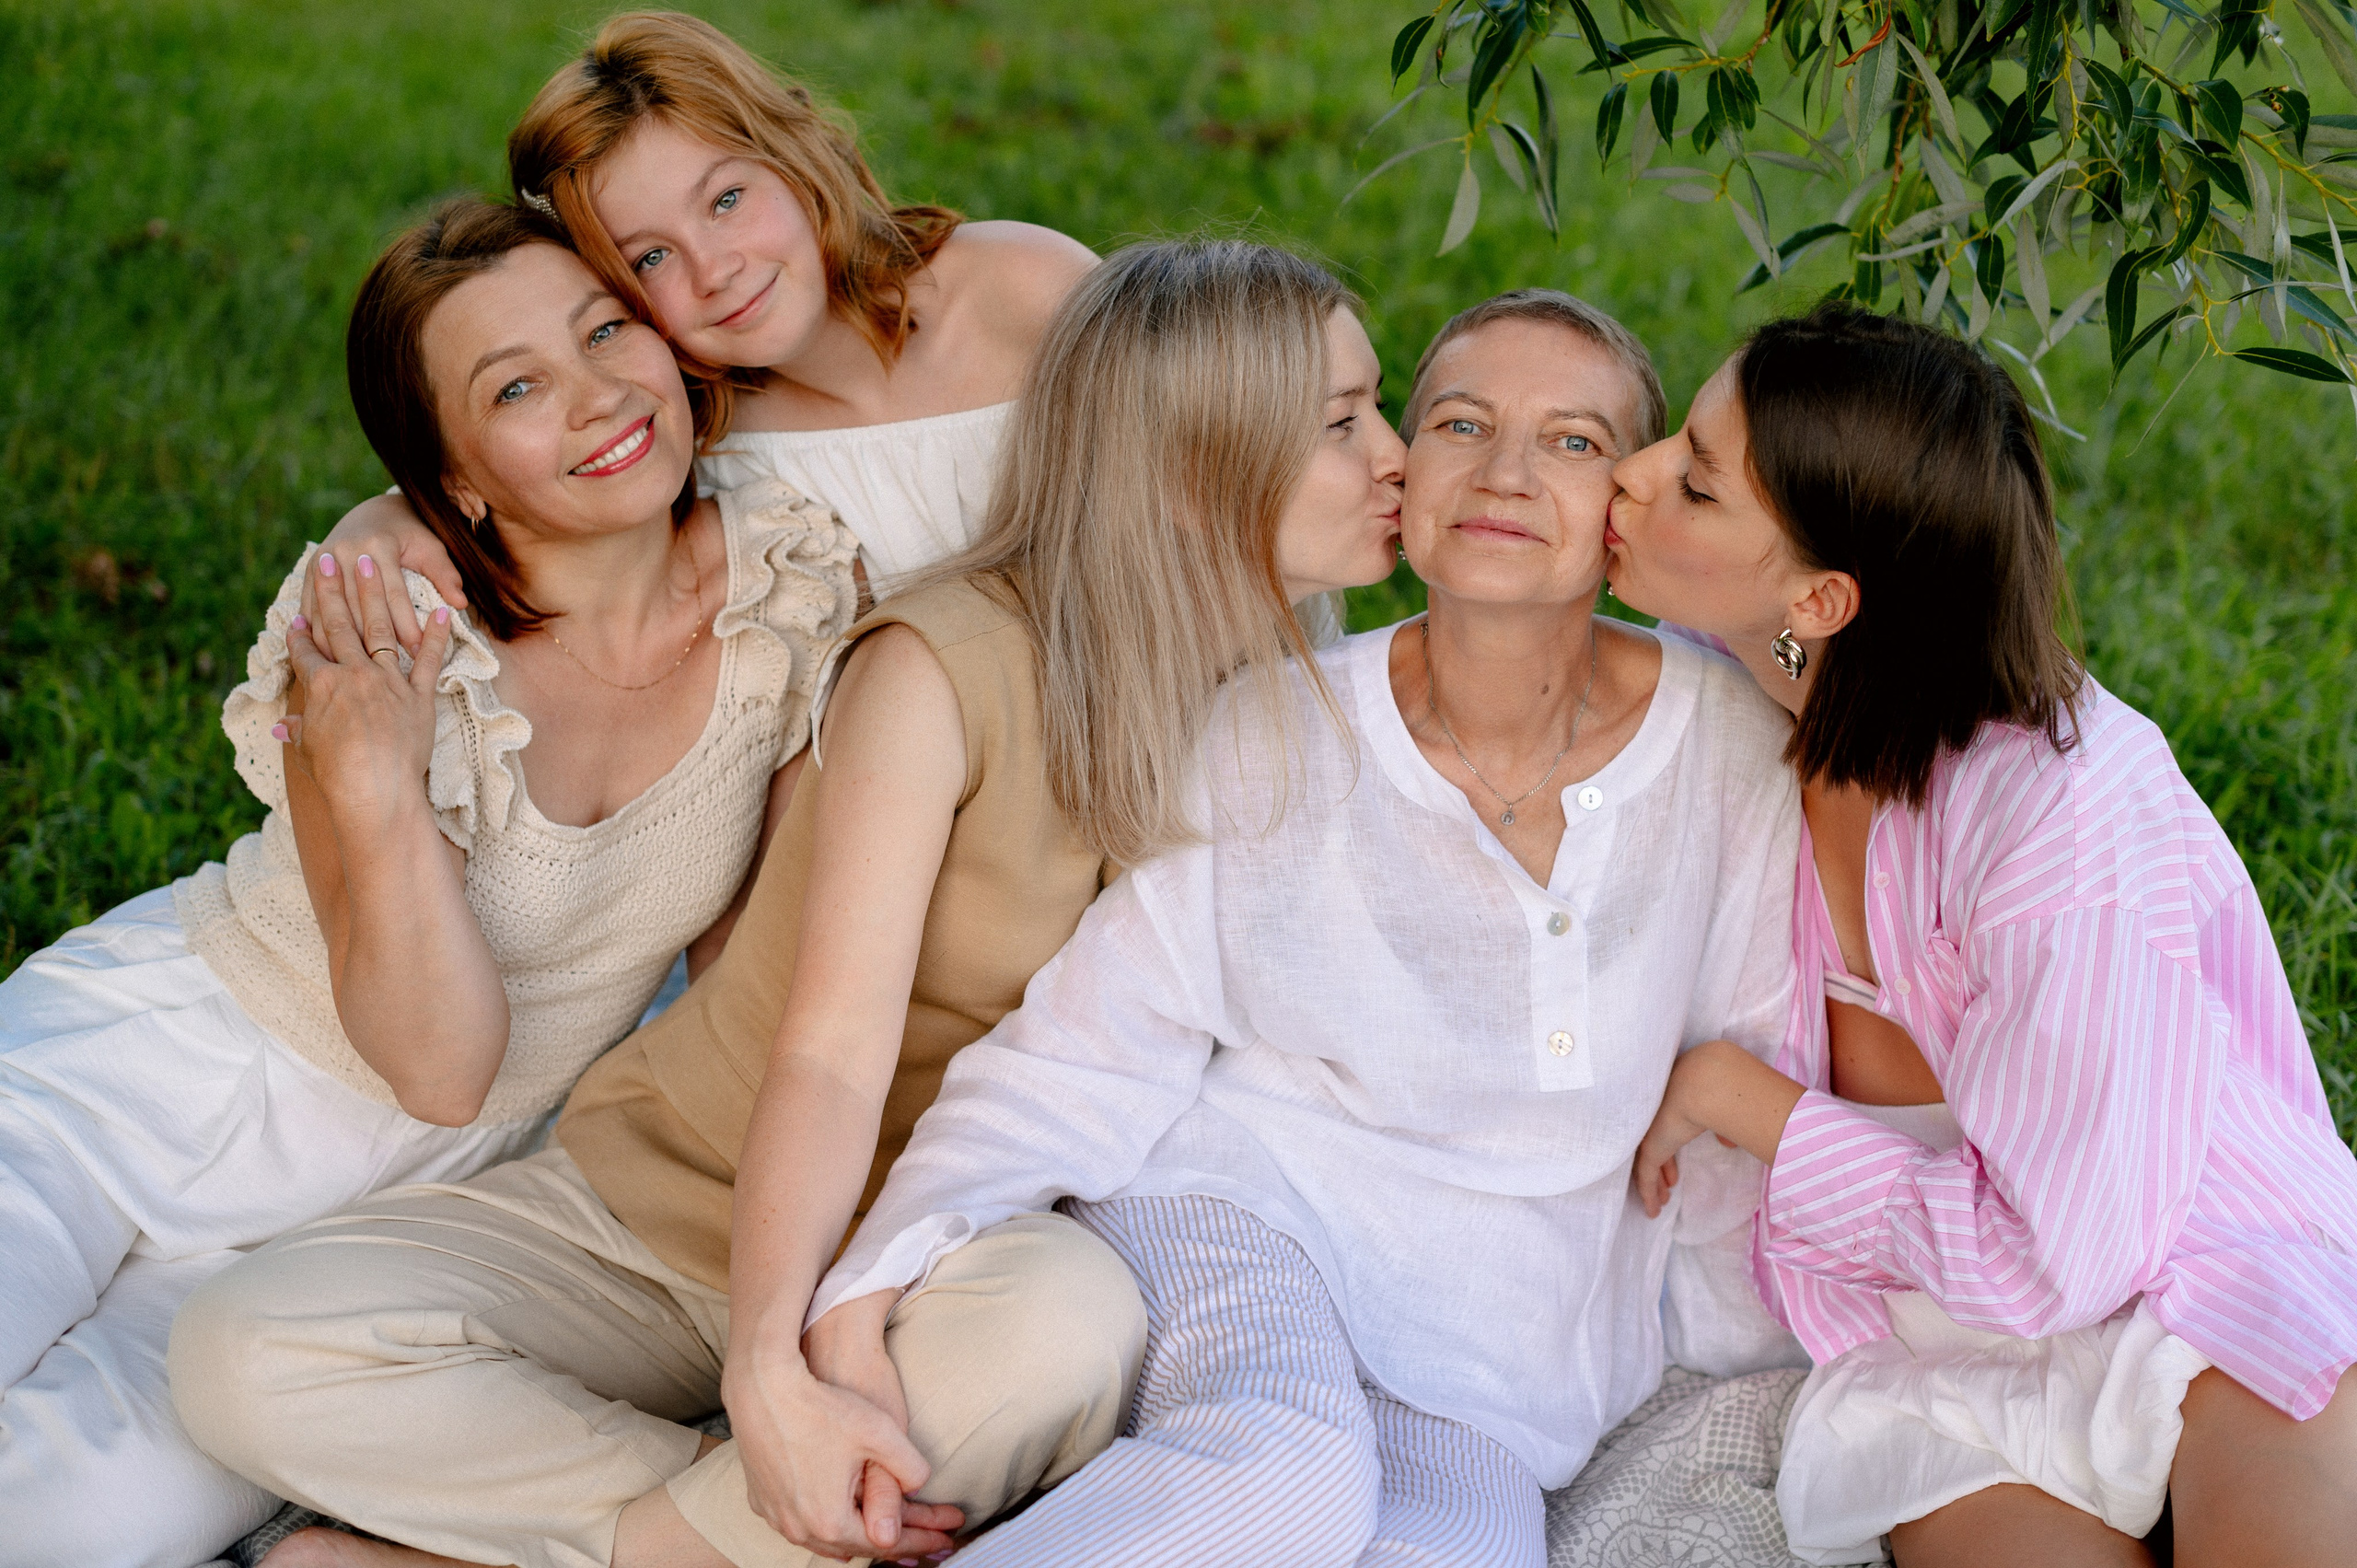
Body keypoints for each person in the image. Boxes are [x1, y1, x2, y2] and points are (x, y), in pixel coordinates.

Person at [168, 237, 1408, 1568]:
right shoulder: (949, 666)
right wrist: (767, 1367)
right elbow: (825, 1053)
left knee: (1068, 1329)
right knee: (248, 1346)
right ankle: (726, 1517)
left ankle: (588, 1543)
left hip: (940, 1248)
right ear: (1187, 468)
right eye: (1343, 424)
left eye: (1374, 405)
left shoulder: (1302, 687)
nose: (1396, 455)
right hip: (679, 1192)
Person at [796, 289, 1803, 1567]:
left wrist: (1748, 1351)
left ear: (1631, 504)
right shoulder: (1272, 725)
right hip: (1246, 1219)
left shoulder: (1728, 753)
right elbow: (1092, 1043)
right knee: (1287, 1476)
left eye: (1572, 440)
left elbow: (1747, 1085)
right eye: (1461, 420)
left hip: (1498, 1357)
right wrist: (874, 1274)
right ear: (1407, 467)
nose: (1503, 471)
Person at [0, 198, 855, 1568]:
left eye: (606, 330)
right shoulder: (383, 623)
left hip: (368, 1226)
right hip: (144, 1079)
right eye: (516, 387)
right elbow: (439, 1058)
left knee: (63, 1522)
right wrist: (376, 776)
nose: (597, 399)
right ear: (451, 481)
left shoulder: (788, 581)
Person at [1609, 301, 2357, 1567]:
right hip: (1933, 1364)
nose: (1632, 474)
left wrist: (1752, 1102)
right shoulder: (1734, 689)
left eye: (1691, 480)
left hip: (2198, 1280)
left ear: (1823, 596)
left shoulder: (2062, 824)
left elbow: (2053, 1257)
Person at [319, 9, 1096, 659]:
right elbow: (498, 456)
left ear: (791, 155)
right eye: (650, 255)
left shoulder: (1022, 290)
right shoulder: (703, 434)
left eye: (726, 199)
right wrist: (380, 522)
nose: (714, 269)